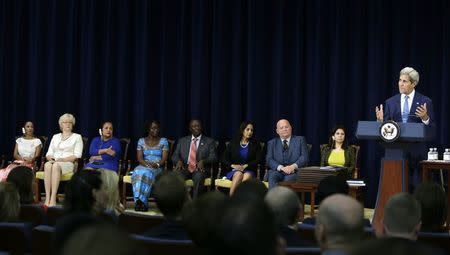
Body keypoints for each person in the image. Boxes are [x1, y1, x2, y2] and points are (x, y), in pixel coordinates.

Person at [375, 67, 434, 189]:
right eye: (400, 80)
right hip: (395, 151)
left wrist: (425, 118)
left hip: (417, 152)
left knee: (417, 187)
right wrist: (380, 122)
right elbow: (387, 128)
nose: (400, 84)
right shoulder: (390, 102)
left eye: (405, 81)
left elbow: (432, 128)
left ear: (414, 83)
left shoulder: (425, 101)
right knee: (396, 186)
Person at [44, 113, 83, 207]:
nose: (68, 124)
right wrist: (51, 158)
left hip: (68, 163)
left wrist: (62, 159)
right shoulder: (55, 136)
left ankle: (53, 198)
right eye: (65, 122)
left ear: (72, 124)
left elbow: (77, 155)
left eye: (70, 122)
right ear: (61, 125)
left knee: (56, 165)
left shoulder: (77, 137)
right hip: (54, 162)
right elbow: (48, 154)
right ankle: (47, 197)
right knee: (47, 165)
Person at [172, 119, 217, 198]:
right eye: (193, 126)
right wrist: (178, 161)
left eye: (198, 126)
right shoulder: (182, 141)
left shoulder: (209, 141)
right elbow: (175, 155)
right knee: (177, 176)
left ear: (201, 127)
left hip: (200, 169)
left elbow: (213, 157)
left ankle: (195, 205)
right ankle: (179, 203)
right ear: (190, 129)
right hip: (185, 168)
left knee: (198, 177)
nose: (196, 128)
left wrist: (203, 161)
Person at [132, 120, 168, 212]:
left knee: (147, 172)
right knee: (137, 171)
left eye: (157, 128)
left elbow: (164, 159)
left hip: (157, 167)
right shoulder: (141, 141)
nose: (155, 130)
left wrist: (156, 164)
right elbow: (140, 158)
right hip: (144, 164)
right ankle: (139, 202)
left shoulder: (163, 141)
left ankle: (142, 202)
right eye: (153, 128)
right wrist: (147, 165)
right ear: (148, 129)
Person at [143, 171, 190, 240]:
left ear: (158, 206)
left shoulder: (145, 238)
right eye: (188, 191)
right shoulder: (202, 238)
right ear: (187, 201)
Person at [222, 121, 263, 195]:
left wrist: (246, 165)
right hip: (234, 170)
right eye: (247, 129)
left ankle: (238, 200)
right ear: (242, 130)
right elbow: (224, 158)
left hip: (249, 170)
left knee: (246, 176)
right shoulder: (233, 143)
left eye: (251, 130)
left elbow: (259, 159)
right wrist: (233, 165)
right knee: (238, 174)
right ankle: (231, 199)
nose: (250, 132)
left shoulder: (255, 144)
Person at [266, 119, 309, 188]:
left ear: (290, 128)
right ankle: (273, 198)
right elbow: (269, 159)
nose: (284, 129)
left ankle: (285, 198)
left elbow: (304, 157)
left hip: (294, 171)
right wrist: (281, 168)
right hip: (278, 171)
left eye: (286, 127)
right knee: (272, 177)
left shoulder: (300, 140)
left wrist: (293, 166)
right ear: (277, 131)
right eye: (281, 128)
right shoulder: (272, 143)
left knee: (288, 180)